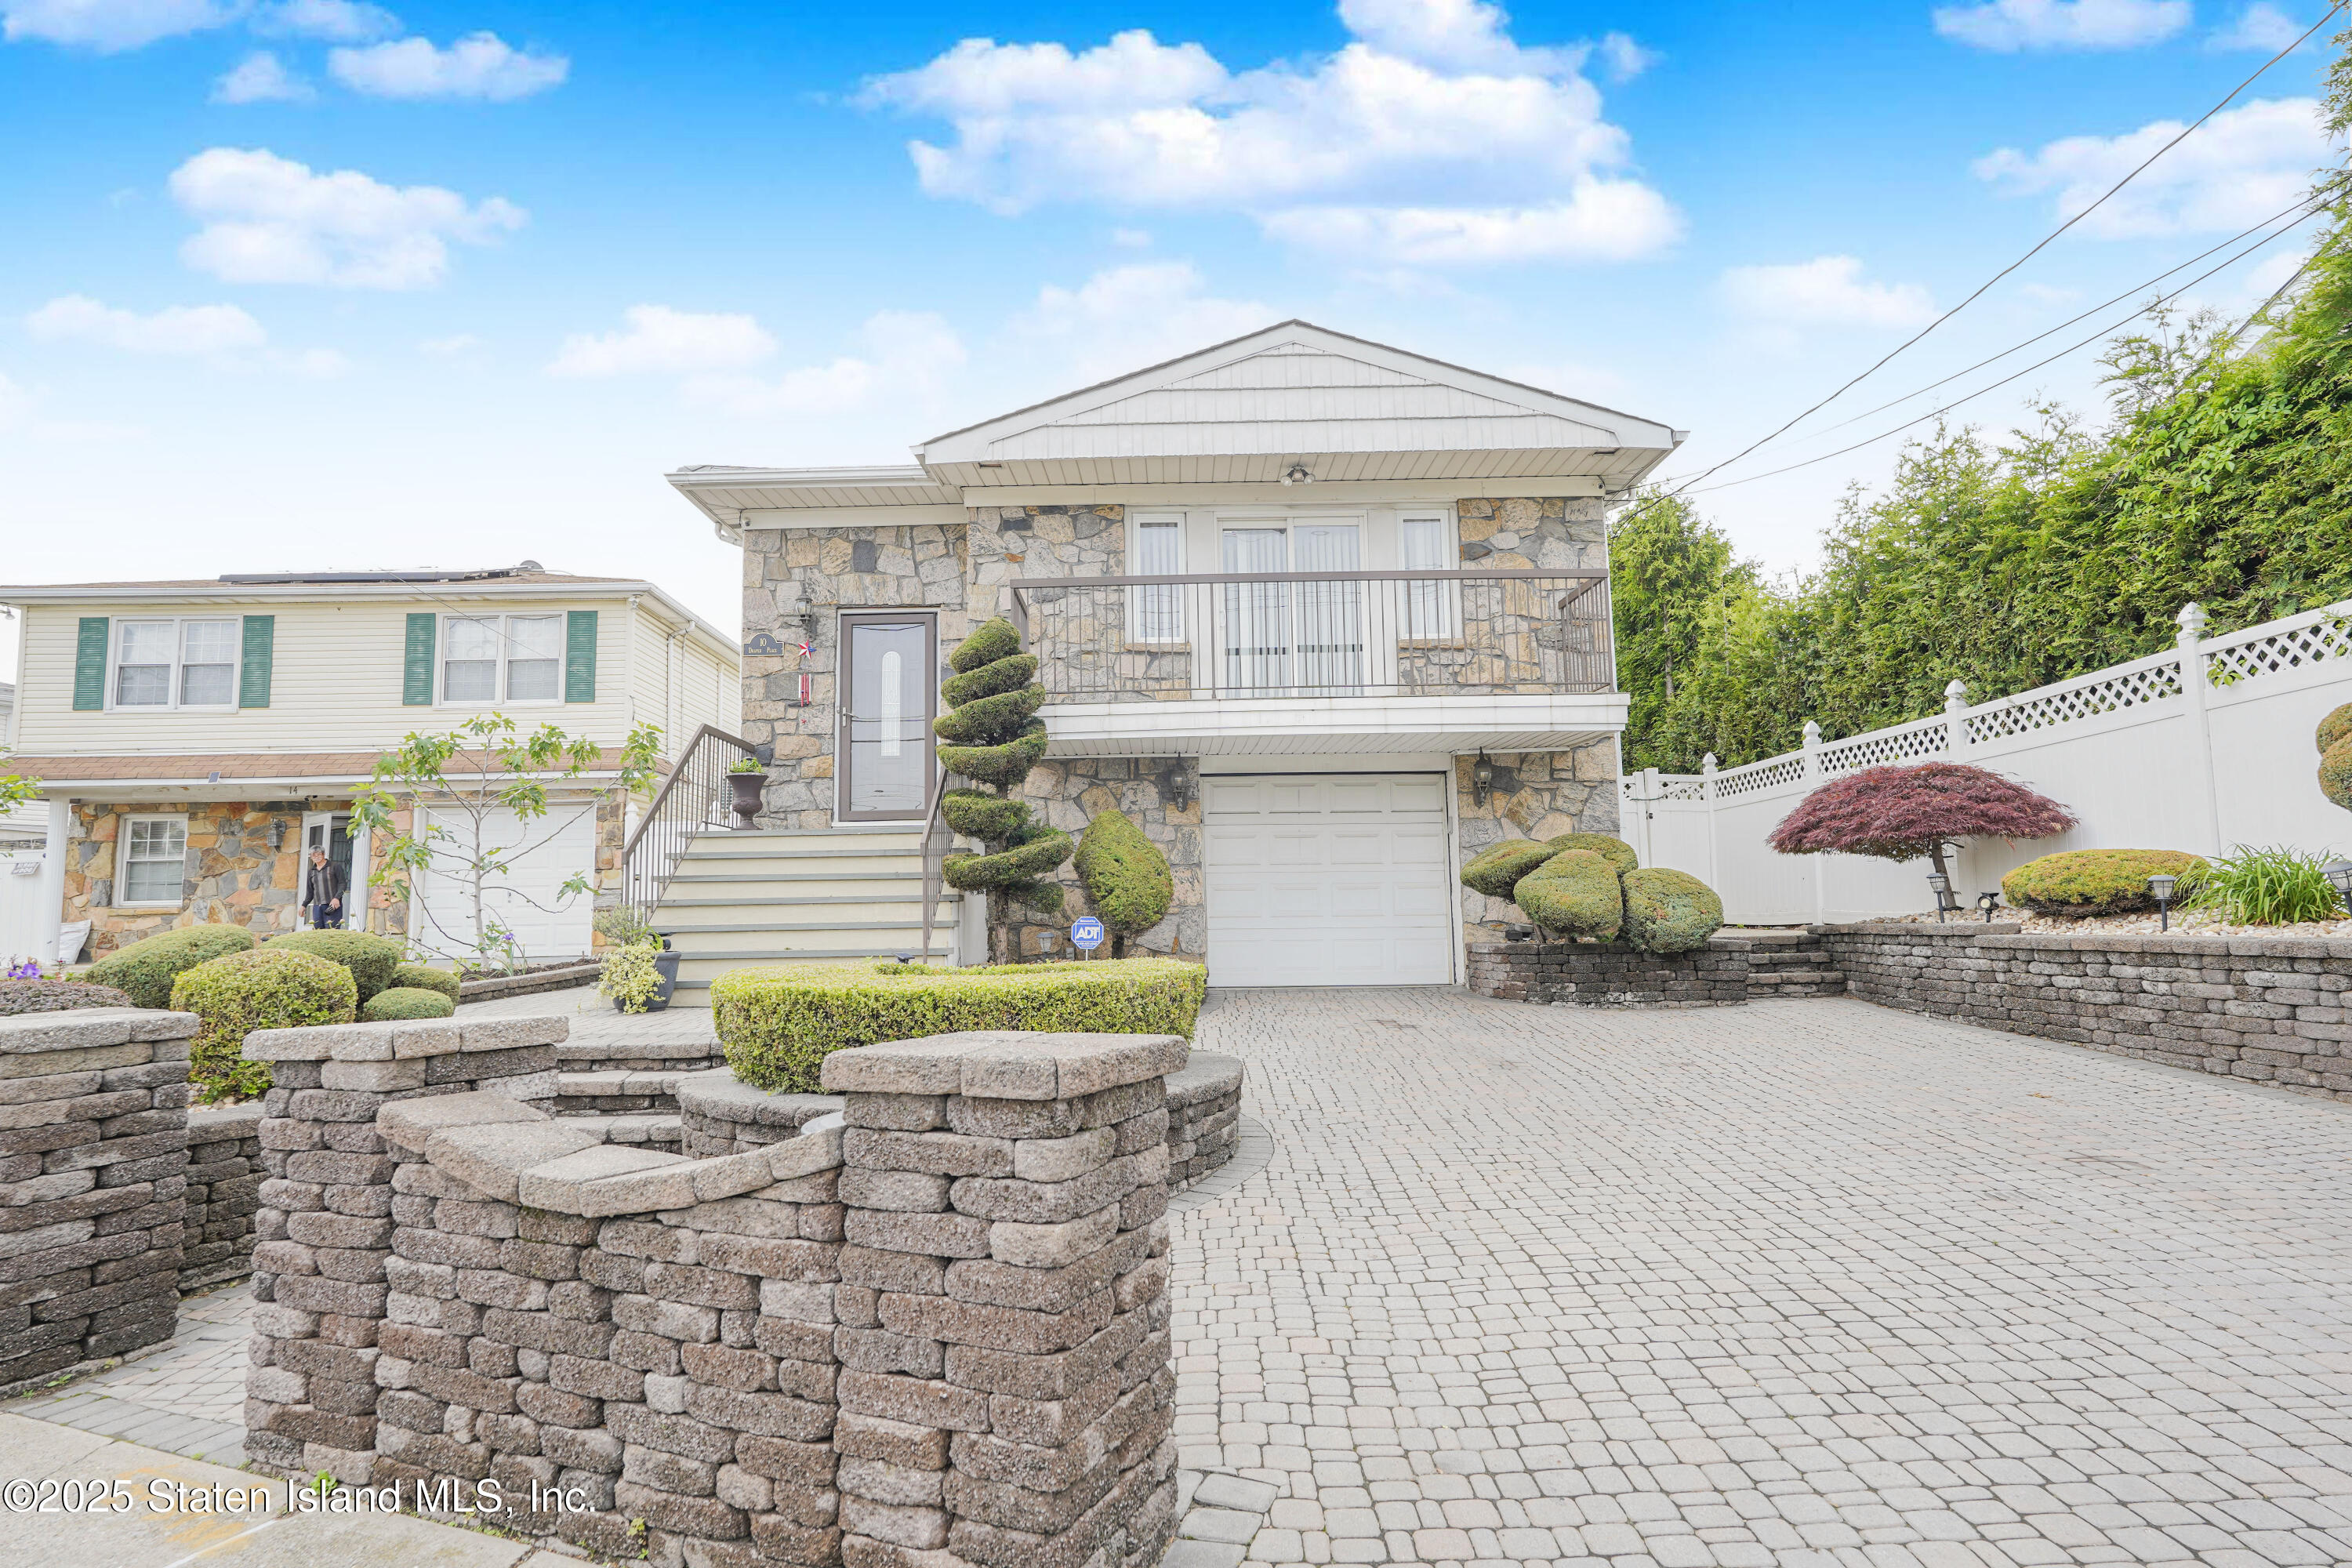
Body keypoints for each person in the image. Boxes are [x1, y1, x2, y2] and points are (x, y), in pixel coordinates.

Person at [303, 846, 347, 930]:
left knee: (331, 931)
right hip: (317, 907)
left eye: (319, 854)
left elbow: (342, 884)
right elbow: (310, 892)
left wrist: (336, 898)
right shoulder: (311, 871)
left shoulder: (335, 866)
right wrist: (304, 905)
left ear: (323, 854)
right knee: (318, 932)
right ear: (311, 857)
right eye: (313, 855)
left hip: (331, 906)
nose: (316, 857)